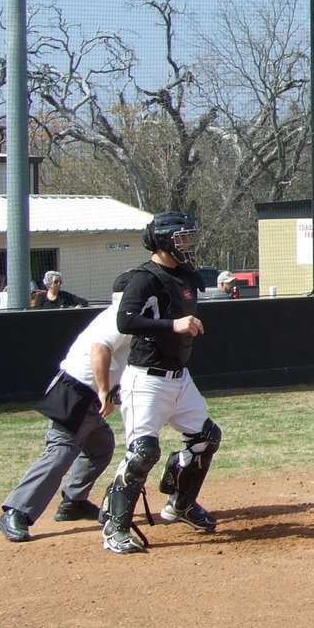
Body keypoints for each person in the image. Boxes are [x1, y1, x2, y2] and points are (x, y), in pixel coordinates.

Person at [98, 211, 222, 554]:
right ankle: (115, 527)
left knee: (206, 437)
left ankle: (180, 504)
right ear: (164, 240)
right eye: (181, 238)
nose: (187, 244)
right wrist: (173, 325)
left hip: (179, 378)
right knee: (143, 452)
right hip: (146, 379)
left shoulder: (185, 274)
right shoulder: (144, 277)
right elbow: (125, 321)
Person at [0, 272, 133, 543]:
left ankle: (73, 502)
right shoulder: (122, 315)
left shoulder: (126, 315)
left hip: (87, 395)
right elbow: (99, 349)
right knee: (60, 452)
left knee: (100, 445)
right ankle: (16, 511)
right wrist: (106, 390)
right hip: (75, 391)